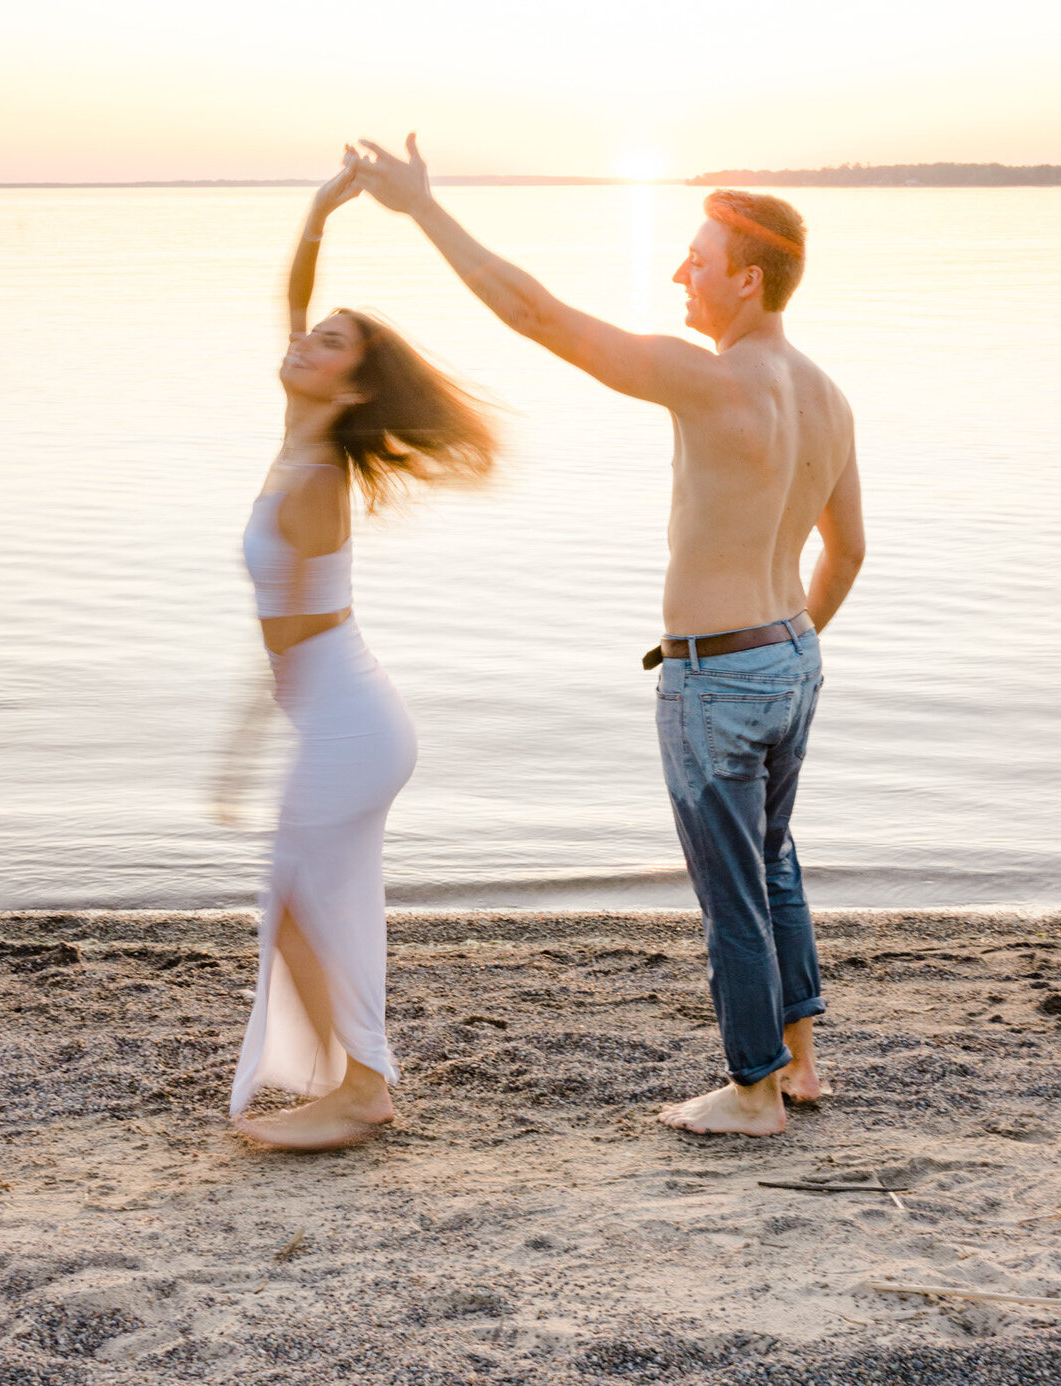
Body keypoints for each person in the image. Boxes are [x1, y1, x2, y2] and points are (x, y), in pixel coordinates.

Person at [353, 135, 865, 1138]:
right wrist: (789, 653)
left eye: (699, 258)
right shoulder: (828, 395)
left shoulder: (714, 380)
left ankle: (753, 1090)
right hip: (792, 654)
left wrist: (422, 207)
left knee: (734, 890)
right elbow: (847, 554)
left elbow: (537, 314)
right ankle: (801, 1065)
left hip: (719, 676)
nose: (681, 270)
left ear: (749, 279)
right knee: (773, 861)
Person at [229, 149, 496, 1150]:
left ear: (349, 382)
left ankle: (362, 1086)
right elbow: (292, 307)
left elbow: (287, 650)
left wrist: (236, 754)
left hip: (344, 718)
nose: (305, 342)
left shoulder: (310, 479)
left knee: (297, 896)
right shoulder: (302, 435)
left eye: (331, 342)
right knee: (322, 896)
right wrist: (319, 209)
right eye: (311, 334)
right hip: (349, 714)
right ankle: (355, 1077)